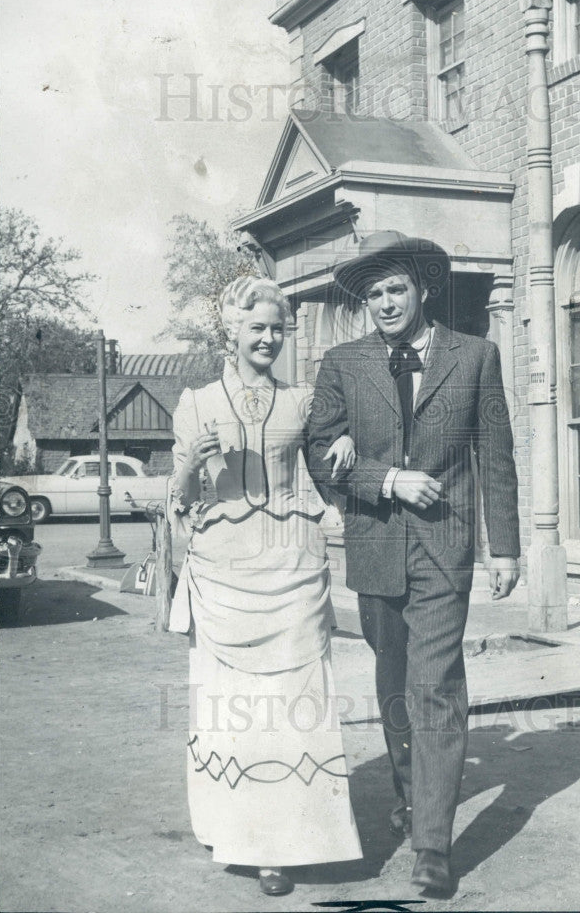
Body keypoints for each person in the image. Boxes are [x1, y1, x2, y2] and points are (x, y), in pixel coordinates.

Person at [308, 230, 520, 895]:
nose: (385, 303)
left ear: (421, 289)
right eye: (373, 294)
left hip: (443, 549)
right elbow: (319, 456)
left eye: (395, 288)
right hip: (374, 547)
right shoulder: (344, 363)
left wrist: (504, 545)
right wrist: (383, 479)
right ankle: (408, 790)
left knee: (435, 688)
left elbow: (495, 454)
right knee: (393, 682)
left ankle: (432, 844)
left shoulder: (477, 357)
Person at [167, 275, 362, 897]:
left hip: (292, 571)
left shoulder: (302, 402)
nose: (269, 338)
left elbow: (327, 463)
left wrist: (349, 442)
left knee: (293, 712)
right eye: (258, 328)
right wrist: (192, 463)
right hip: (224, 575)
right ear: (233, 331)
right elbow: (179, 502)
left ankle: (288, 845)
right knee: (237, 716)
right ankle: (241, 832)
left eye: (278, 328)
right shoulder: (195, 403)